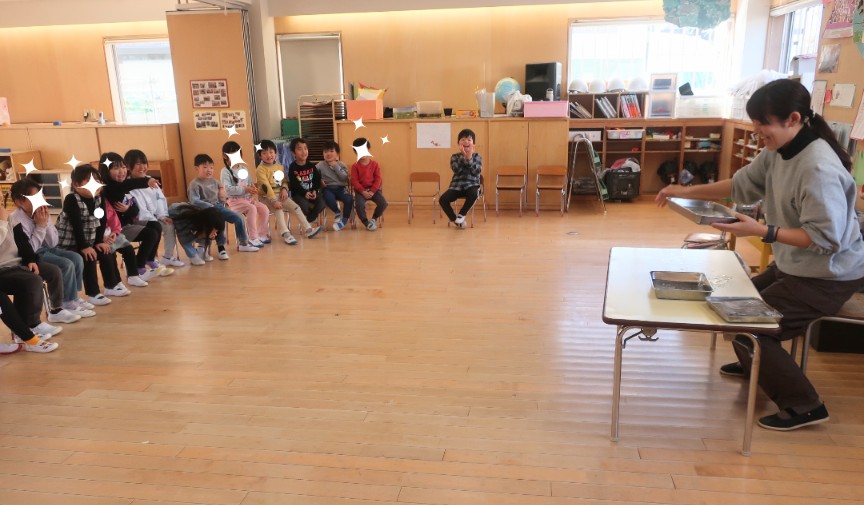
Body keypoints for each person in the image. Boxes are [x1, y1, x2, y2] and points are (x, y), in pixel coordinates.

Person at [656, 79, 864, 431]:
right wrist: (683, 190)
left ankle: (805, 405)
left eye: (762, 125)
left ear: (793, 119)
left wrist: (762, 231)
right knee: (732, 302)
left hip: (828, 276)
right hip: (796, 266)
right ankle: (756, 360)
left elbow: (825, 240)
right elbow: (740, 185)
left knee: (748, 323)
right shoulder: (778, 151)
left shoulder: (817, 168)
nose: (757, 133)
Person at [10, 177, 95, 319]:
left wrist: (45, 223)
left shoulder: (42, 211)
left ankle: (72, 297)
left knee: (76, 258)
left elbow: (52, 243)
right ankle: (66, 302)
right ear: (19, 202)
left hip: (46, 249)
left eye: (41, 195)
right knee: (65, 264)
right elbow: (29, 250)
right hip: (32, 255)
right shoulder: (16, 220)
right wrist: (40, 226)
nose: (41, 200)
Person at [54, 165, 127, 305]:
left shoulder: (99, 197)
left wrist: (99, 241)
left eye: (97, 180)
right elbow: (77, 226)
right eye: (89, 181)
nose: (96, 184)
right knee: (89, 256)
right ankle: (93, 293)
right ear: (76, 185)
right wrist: (84, 247)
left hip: (89, 241)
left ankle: (111, 286)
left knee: (106, 250)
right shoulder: (71, 199)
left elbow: (102, 221)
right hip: (69, 245)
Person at [97, 152, 166, 282]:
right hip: (119, 228)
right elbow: (129, 184)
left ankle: (149, 259)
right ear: (106, 171)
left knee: (156, 225)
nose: (122, 171)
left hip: (129, 222)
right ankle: (139, 266)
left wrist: (128, 209)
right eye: (116, 168)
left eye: (123, 167)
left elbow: (135, 210)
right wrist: (147, 180)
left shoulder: (123, 187)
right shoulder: (111, 187)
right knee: (150, 234)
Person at [0, 204, 64, 342]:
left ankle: (55, 311)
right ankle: (28, 326)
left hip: (17, 263)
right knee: (31, 280)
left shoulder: (9, 218)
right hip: (2, 269)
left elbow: (22, 241)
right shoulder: (4, 220)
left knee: (52, 270)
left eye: (0, 200)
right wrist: (2, 223)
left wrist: (30, 259)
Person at [187, 153, 259, 259]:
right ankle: (221, 248)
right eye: (205, 167)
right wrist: (210, 206)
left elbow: (222, 199)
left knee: (238, 218)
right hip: (203, 211)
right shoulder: (194, 184)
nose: (209, 170)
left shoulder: (216, 182)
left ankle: (243, 244)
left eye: (211, 167)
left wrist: (222, 195)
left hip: (218, 207)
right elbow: (194, 201)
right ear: (196, 168)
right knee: (218, 220)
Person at [124, 149, 185, 268]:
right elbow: (139, 209)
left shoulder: (151, 181)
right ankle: (147, 260)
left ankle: (168, 256)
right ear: (128, 167)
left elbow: (160, 199)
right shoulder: (128, 185)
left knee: (168, 225)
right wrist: (153, 219)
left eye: (144, 163)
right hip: (140, 220)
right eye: (138, 164)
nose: (142, 167)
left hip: (154, 218)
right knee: (154, 228)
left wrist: (162, 216)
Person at [255, 139, 322, 245]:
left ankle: (308, 230)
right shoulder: (260, 169)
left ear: (275, 153)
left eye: (271, 152)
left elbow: (285, 181)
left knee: (296, 207)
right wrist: (274, 201)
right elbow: (266, 187)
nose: (269, 155)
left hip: (280, 195)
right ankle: (286, 234)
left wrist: (284, 189)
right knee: (278, 209)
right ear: (260, 156)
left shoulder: (279, 167)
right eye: (264, 153)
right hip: (266, 197)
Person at [220, 141, 270, 247]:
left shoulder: (244, 168)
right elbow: (228, 190)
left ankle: (261, 235)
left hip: (248, 199)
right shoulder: (225, 171)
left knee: (264, 209)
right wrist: (245, 189)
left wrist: (253, 188)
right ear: (225, 156)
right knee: (252, 208)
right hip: (235, 202)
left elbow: (250, 183)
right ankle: (253, 237)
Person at [439, 128, 482, 228]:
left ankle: (462, 214)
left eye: (469, 140)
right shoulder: (454, 157)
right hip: (456, 186)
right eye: (463, 139)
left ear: (473, 144)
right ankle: (456, 221)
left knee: (474, 193)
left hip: (472, 185)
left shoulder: (477, 156)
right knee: (443, 199)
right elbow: (457, 170)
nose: (466, 141)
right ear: (458, 143)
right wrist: (464, 157)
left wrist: (469, 158)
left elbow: (476, 172)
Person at [351, 137, 388, 231]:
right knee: (359, 205)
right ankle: (366, 222)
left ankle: (373, 219)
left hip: (374, 191)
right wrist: (363, 191)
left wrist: (372, 191)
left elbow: (378, 179)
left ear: (368, 149)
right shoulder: (355, 166)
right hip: (360, 192)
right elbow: (355, 181)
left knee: (383, 203)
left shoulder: (375, 164)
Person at [286, 137, 326, 224]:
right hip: (299, 194)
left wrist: (314, 190)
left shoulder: (311, 165)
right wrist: (304, 193)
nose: (304, 151)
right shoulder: (293, 167)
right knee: (304, 205)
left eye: (305, 148)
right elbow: (294, 184)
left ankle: (309, 218)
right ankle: (311, 218)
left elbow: (317, 179)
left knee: (322, 203)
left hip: (312, 192)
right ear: (293, 153)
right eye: (300, 149)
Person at [316, 140, 353, 231]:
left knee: (349, 199)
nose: (328, 154)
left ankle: (344, 220)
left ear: (337, 154)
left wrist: (335, 165)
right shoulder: (320, 165)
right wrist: (319, 180)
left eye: (331, 151)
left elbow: (344, 177)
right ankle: (337, 212)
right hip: (328, 188)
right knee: (327, 196)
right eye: (325, 152)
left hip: (341, 188)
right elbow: (313, 175)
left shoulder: (341, 164)